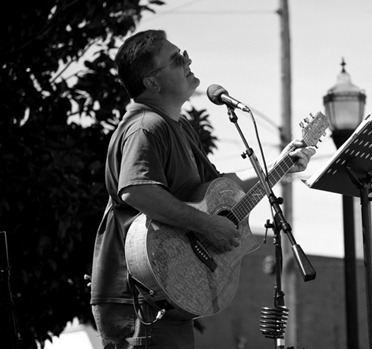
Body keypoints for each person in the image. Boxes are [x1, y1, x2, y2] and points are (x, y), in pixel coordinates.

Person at [90, 30, 316, 349]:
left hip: (167, 296)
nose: (189, 60)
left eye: (184, 53)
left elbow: (226, 194)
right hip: (139, 298)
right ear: (152, 82)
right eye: (176, 59)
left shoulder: (179, 128)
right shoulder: (146, 126)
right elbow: (137, 192)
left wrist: (282, 166)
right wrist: (209, 225)